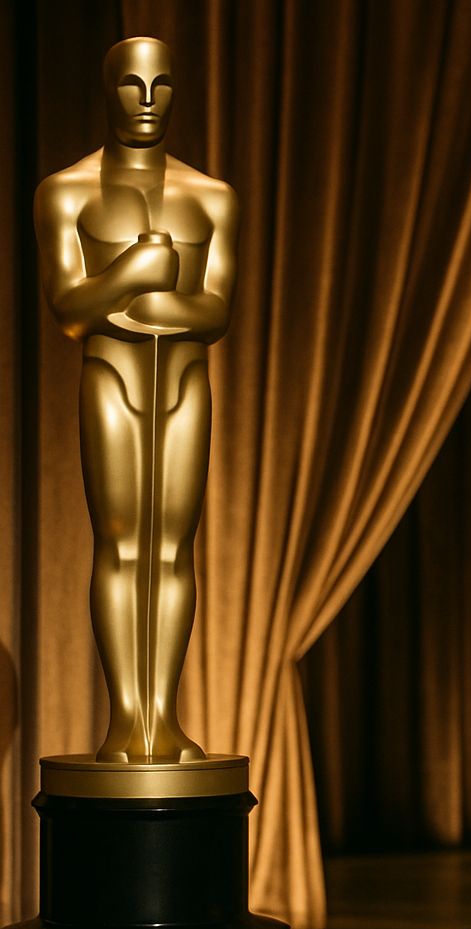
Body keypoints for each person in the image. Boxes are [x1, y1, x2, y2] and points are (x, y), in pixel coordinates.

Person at [34, 37, 239, 763]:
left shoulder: (210, 196)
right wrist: (139, 270)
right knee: (123, 545)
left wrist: (126, 300)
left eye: (161, 85)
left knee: (174, 550)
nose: (147, 101)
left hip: (184, 381)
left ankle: (164, 716)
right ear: (107, 90)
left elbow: (216, 314)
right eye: (131, 85)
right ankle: (127, 720)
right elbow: (67, 305)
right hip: (112, 378)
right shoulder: (67, 191)